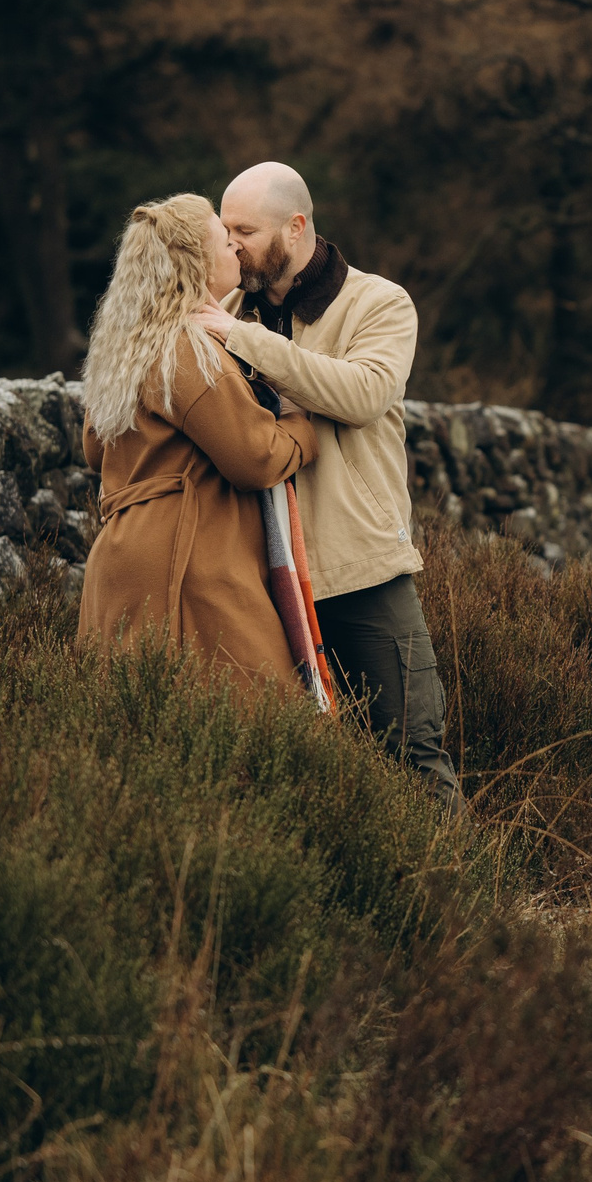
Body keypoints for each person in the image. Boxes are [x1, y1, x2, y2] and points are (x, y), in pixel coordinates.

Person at [192, 162, 463, 808]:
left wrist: (244, 340)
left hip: (361, 571)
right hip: (261, 580)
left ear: (297, 226)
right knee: (287, 769)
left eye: (245, 230)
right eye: (224, 231)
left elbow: (363, 393)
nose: (231, 245)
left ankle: (467, 904)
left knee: (414, 754)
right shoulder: (227, 311)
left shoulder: (380, 303)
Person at [77, 194, 318, 687]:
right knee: (262, 714)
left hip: (125, 556)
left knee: (139, 729)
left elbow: (94, 448)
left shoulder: (129, 344)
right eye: (223, 242)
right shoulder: (186, 346)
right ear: (199, 266)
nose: (235, 249)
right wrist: (303, 426)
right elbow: (254, 457)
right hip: (186, 561)